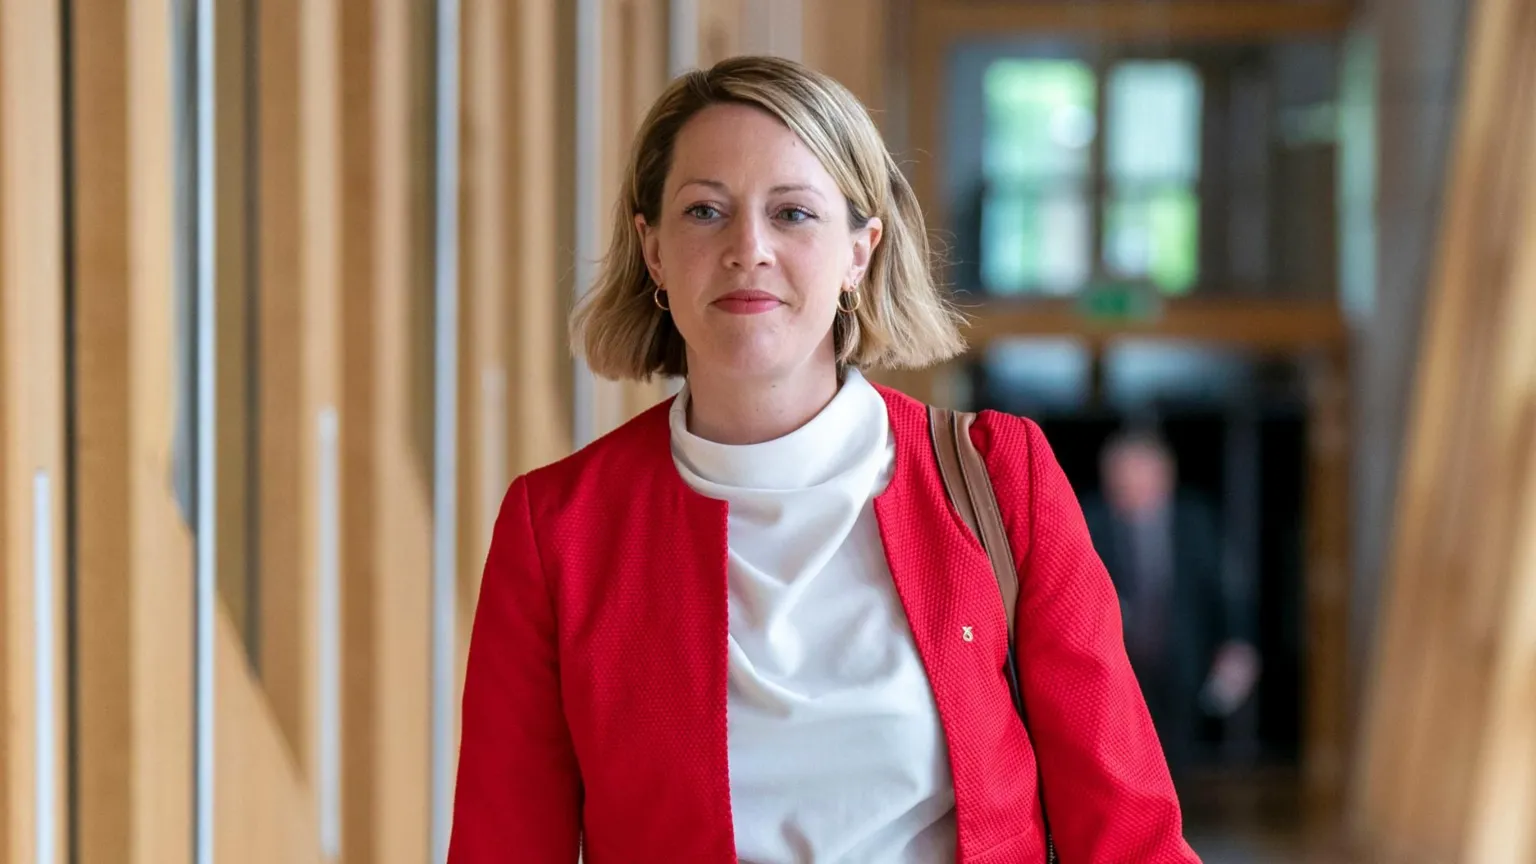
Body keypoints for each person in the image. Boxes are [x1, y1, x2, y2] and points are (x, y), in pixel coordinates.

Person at [448, 56, 1198, 863]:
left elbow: (1130, 838)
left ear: (860, 252)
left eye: (793, 214)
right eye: (705, 211)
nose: (749, 249)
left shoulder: (998, 477)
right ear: (653, 249)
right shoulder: (558, 529)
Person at [1082, 428, 1261, 779]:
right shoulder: (1088, 520)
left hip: (1181, 657)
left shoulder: (1195, 521)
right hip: (1114, 661)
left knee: (1175, 758)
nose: (1128, 487)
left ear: (1164, 476)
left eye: (1138, 475)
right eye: (1119, 477)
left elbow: (1226, 589)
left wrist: (1238, 643)